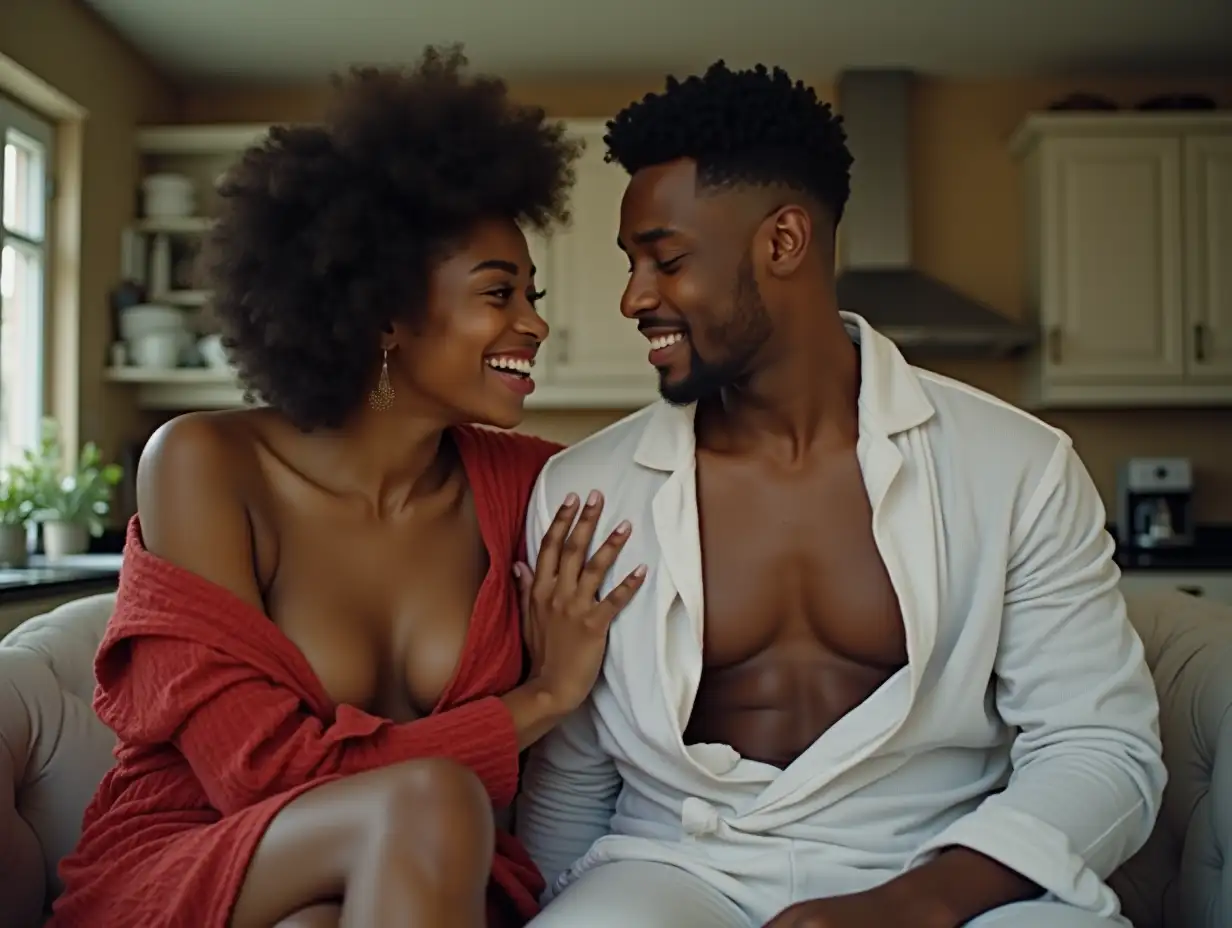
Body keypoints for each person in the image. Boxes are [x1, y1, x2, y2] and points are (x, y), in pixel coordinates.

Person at [514, 61, 1166, 928]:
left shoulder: (1017, 466)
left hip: (941, 865)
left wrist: (919, 904)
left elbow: (1100, 745)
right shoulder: (588, 488)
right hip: (677, 869)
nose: (635, 297)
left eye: (666, 261)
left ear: (783, 242)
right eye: (632, 264)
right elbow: (576, 771)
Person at [48, 46, 644, 928]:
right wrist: (544, 698)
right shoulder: (206, 465)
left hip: (427, 881)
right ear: (386, 313)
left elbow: (686, 483)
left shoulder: (533, 485)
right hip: (204, 855)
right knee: (433, 801)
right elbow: (255, 776)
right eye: (499, 292)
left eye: (532, 292)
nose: (535, 321)